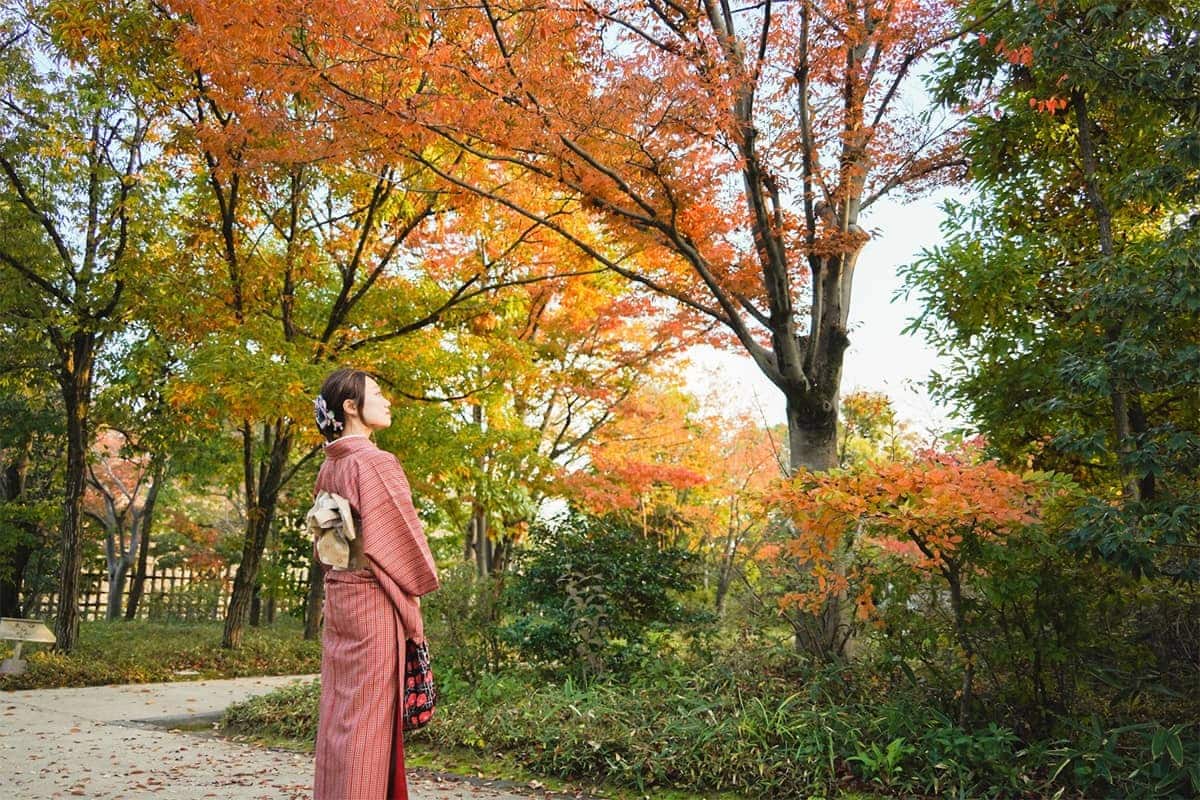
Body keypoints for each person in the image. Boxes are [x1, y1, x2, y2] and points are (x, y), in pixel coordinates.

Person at [310, 368, 440, 800]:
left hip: (341, 597)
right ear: (351, 407)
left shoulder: (332, 463)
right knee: (367, 724)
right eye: (377, 394)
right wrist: (416, 600)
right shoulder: (374, 462)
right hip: (372, 599)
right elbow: (397, 541)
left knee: (341, 716)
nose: (386, 401)